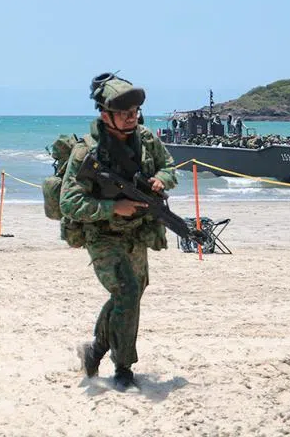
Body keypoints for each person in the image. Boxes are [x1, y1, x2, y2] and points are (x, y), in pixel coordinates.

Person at [60, 74, 177, 391]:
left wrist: (161, 180)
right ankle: (123, 367)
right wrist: (113, 208)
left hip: (137, 233)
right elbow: (70, 202)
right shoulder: (87, 154)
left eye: (136, 110)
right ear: (104, 114)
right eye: (125, 111)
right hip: (104, 235)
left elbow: (169, 166)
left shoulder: (147, 140)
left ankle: (95, 349)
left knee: (131, 295)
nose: (132, 116)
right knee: (125, 293)